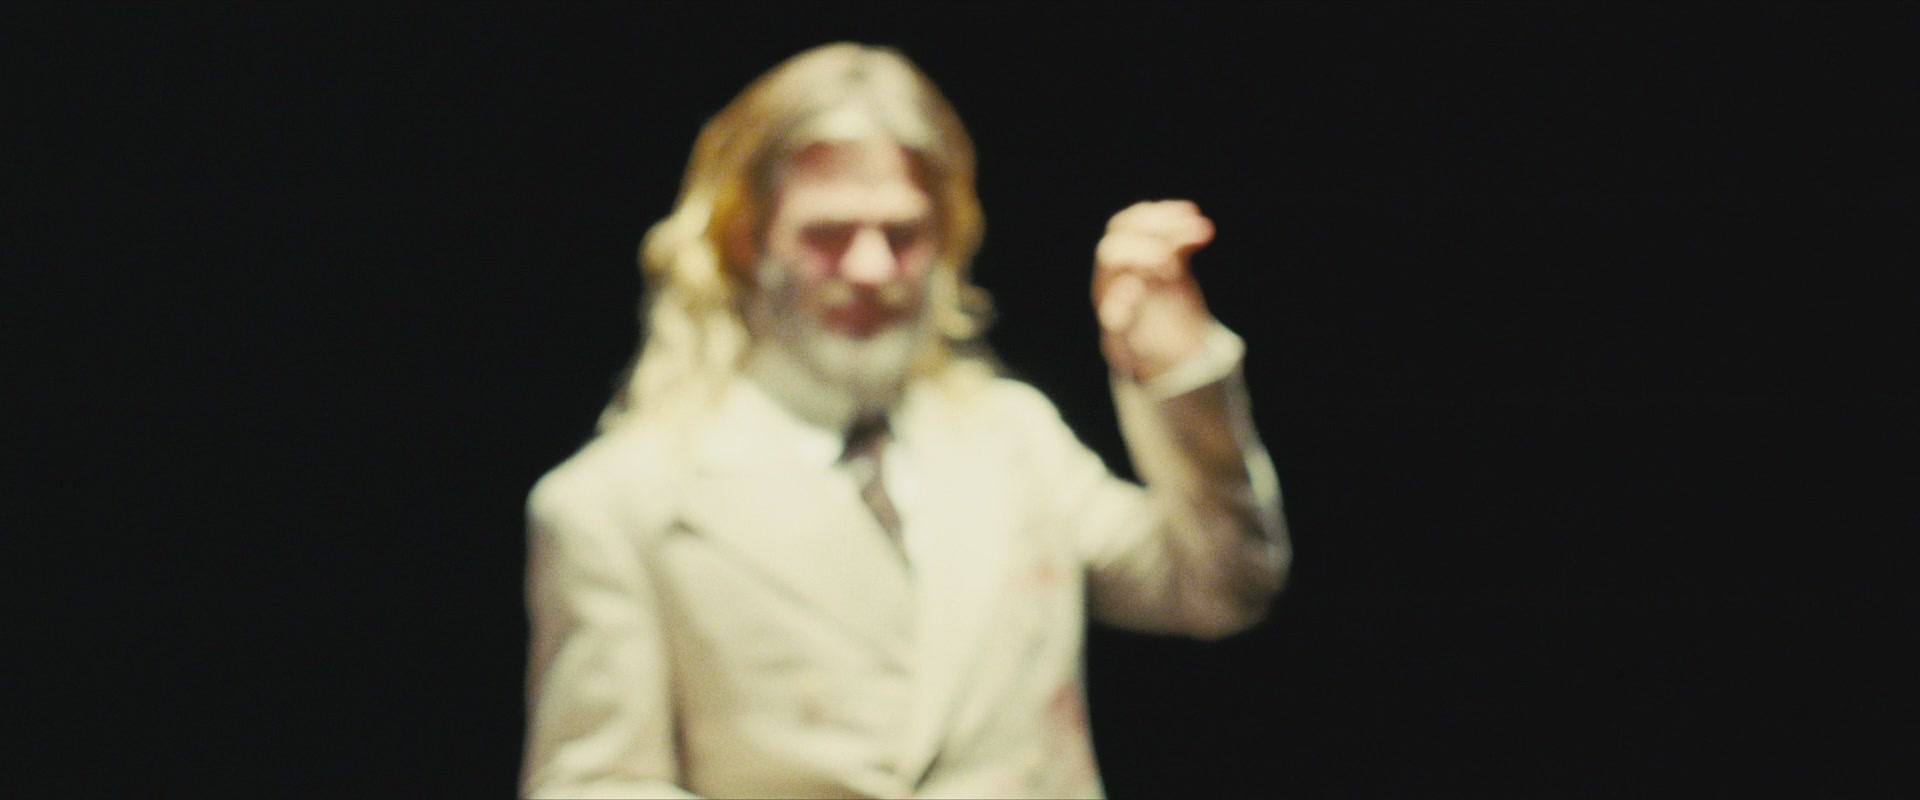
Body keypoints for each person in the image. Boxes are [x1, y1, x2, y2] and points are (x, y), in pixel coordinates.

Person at [520, 42, 1291, 799]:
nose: (871, 270)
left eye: (903, 233)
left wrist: (1178, 374)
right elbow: (590, 783)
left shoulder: (1011, 437)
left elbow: (1221, 586)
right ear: (747, 240)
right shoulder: (616, 502)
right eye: (828, 234)